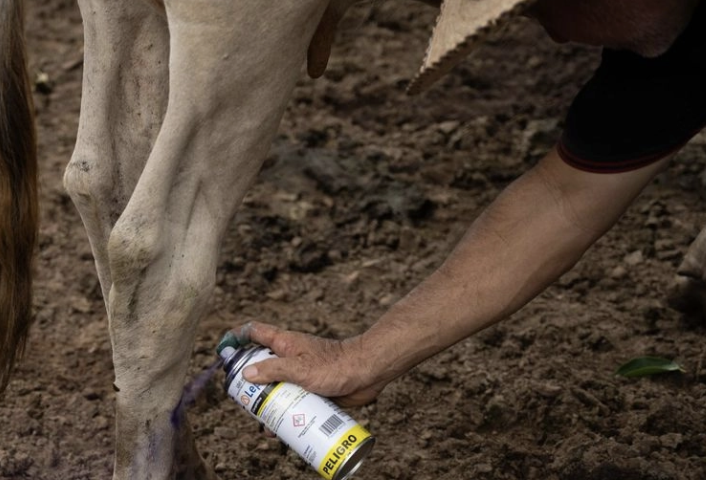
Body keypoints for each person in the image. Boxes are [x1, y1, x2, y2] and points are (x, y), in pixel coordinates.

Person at [226, 0, 706, 407]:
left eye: (546, 5)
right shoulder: (665, 58)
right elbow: (565, 200)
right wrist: (361, 358)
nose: (556, 38)